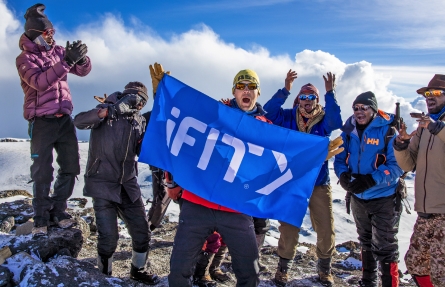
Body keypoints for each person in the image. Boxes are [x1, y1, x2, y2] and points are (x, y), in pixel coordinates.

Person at [15, 3, 92, 237]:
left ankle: (58, 210)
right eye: (47, 33)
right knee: (42, 171)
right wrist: (66, 62)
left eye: (52, 32)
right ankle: (40, 217)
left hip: (64, 119)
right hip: (41, 121)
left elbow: (83, 72)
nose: (51, 36)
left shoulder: (57, 51)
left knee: (70, 167)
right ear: (35, 34)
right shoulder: (24, 59)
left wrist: (81, 58)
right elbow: (40, 82)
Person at [73, 82, 159, 285]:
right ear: (124, 96)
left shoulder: (138, 121)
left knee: (142, 233)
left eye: (142, 102)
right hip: (102, 184)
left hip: (127, 186)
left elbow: (141, 152)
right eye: (135, 99)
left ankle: (138, 270)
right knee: (108, 237)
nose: (138, 105)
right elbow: (78, 121)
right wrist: (108, 111)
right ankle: (104, 276)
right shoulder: (106, 110)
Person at [264, 72, 342, 286]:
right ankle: (283, 269)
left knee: (325, 227)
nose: (307, 102)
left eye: (311, 98)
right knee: (289, 226)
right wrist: (286, 89)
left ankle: (324, 269)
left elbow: (337, 120)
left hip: (318, 181)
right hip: (292, 181)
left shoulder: (324, 120)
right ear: (298, 100)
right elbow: (269, 112)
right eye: (304, 97)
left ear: (316, 101)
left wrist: (329, 92)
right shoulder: (288, 117)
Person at [334, 92, 404, 287]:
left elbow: (397, 166)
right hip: (357, 197)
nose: (359, 112)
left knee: (386, 246)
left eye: (364, 108)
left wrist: (371, 180)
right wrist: (343, 176)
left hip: (384, 198)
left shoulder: (388, 131)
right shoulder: (348, 131)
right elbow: (339, 158)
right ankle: (368, 282)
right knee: (365, 241)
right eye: (356, 108)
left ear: (373, 109)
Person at [393, 74, 445, 287]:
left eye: (434, 93)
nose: (429, 97)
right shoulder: (424, 127)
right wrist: (401, 144)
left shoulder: (433, 125)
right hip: (425, 210)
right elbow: (408, 164)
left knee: (440, 272)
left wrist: (436, 128)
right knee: (416, 263)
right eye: (426, 94)